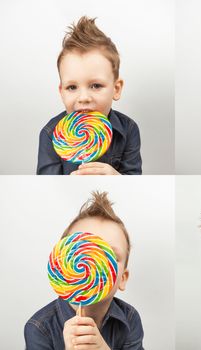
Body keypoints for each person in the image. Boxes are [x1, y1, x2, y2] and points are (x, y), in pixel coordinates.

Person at [25, 191, 144, 349]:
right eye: (83, 250)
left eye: (111, 255)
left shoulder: (130, 319)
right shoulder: (39, 328)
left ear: (122, 278)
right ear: (61, 264)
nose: (94, 261)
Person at [37, 17, 142, 175]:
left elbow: (134, 180)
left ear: (116, 89)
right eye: (72, 87)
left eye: (96, 86)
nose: (83, 97)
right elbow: (46, 186)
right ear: (62, 92)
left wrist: (118, 178)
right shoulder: (51, 135)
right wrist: (65, 184)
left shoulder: (129, 130)